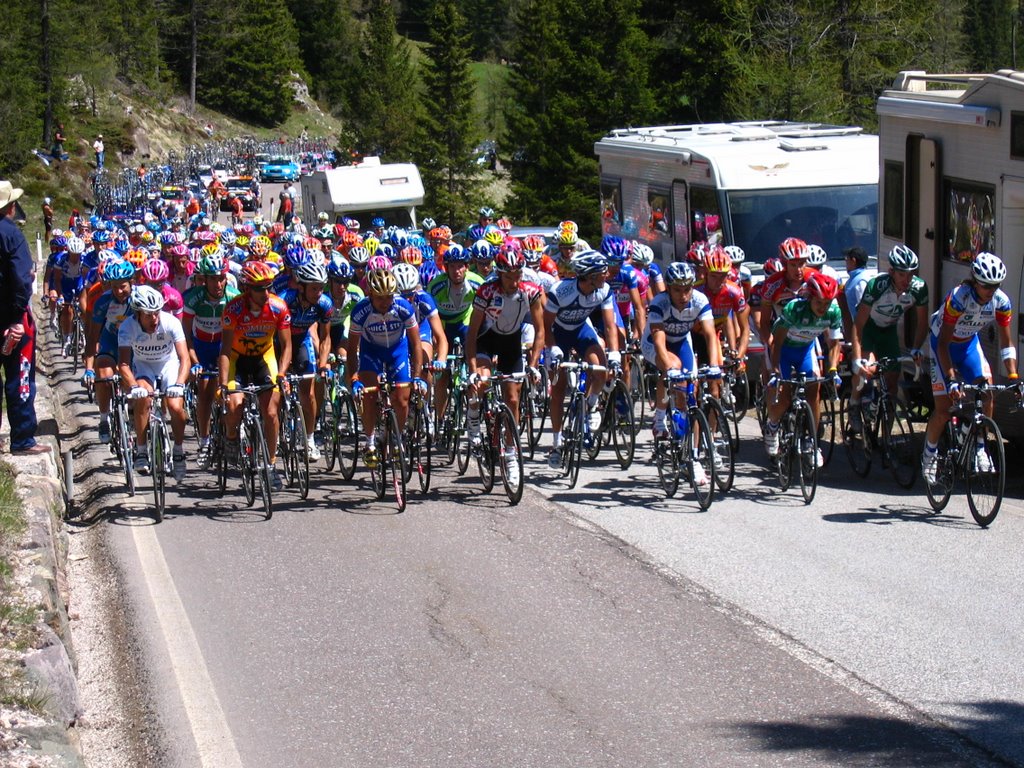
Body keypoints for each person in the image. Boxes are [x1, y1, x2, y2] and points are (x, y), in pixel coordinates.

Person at [921, 252, 1017, 484]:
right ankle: (929, 455)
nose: (990, 291)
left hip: (968, 346)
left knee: (987, 393)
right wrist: (952, 378)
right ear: (975, 281)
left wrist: (1014, 375)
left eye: (995, 285)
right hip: (942, 345)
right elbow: (943, 343)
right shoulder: (958, 299)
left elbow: (1006, 342)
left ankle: (980, 447)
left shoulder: (1001, 302)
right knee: (944, 410)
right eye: (986, 286)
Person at [219, 261, 293, 491]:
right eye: (260, 289)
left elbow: (286, 345)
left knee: (271, 412)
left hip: (264, 357)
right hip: (237, 359)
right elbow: (224, 350)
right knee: (234, 405)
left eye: (269, 287)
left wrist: (281, 373)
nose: (266, 293)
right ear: (247, 289)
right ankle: (231, 436)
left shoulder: (279, 307)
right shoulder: (233, 309)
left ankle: (271, 466)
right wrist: (223, 385)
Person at [543, 250, 620, 468]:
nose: (606, 275)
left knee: (600, 369)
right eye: (602, 272)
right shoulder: (561, 291)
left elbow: (609, 325)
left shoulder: (603, 290)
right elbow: (545, 325)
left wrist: (613, 352)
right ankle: (557, 444)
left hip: (580, 330)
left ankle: (592, 406)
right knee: (557, 390)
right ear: (589, 275)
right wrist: (553, 348)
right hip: (557, 334)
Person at [763, 271, 844, 468]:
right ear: (809, 298)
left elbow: (834, 344)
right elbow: (777, 344)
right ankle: (772, 426)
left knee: (814, 389)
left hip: (805, 350)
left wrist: (832, 370)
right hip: (784, 350)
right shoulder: (793, 309)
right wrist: (774, 372)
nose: (823, 308)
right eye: (819, 303)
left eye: (827, 303)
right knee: (784, 396)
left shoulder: (833, 311)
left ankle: (813, 442)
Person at [346, 268, 424, 467]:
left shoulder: (403, 307)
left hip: (397, 350)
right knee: (369, 395)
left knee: (402, 399)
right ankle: (370, 442)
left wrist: (416, 376)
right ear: (370, 294)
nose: (385, 302)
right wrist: (354, 379)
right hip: (370, 351)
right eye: (380, 298)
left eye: (389, 297)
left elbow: (416, 345)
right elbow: (352, 347)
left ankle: (397, 436)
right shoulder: (360, 311)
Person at [847, 245, 928, 432]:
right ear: (891, 272)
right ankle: (854, 402)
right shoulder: (877, 286)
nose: (906, 280)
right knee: (867, 370)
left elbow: (922, 323)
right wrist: (857, 359)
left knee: (892, 385)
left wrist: (916, 348)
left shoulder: (919, 288)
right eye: (901, 275)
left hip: (888, 330)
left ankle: (886, 438)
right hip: (868, 329)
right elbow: (858, 325)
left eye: (910, 274)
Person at [117, 286, 191, 479]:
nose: (154, 320)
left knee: (175, 406)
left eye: (156, 313)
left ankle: (178, 451)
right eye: (148, 315)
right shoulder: (127, 327)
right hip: (143, 366)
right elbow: (123, 364)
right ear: (138, 314)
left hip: (168, 364)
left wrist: (180, 384)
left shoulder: (171, 322)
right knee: (144, 397)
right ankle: (141, 450)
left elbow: (184, 358)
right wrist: (133, 387)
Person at [0, 182, 49, 454]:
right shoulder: (12, 235)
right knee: (20, 377)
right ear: (10, 206)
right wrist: (18, 316)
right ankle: (22, 439)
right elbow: (21, 278)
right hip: (11, 317)